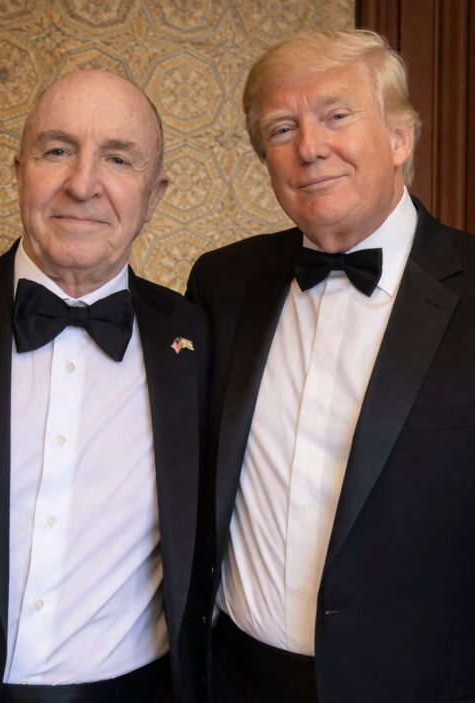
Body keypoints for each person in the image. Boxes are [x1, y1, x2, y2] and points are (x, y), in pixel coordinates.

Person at [187, 29, 475, 703]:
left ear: (400, 138)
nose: (310, 147)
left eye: (336, 115)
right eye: (282, 128)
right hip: (235, 680)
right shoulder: (221, 284)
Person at [0, 69, 208, 703]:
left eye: (117, 159)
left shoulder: (198, 342)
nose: (83, 183)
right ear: (19, 172)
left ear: (155, 195)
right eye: (58, 150)